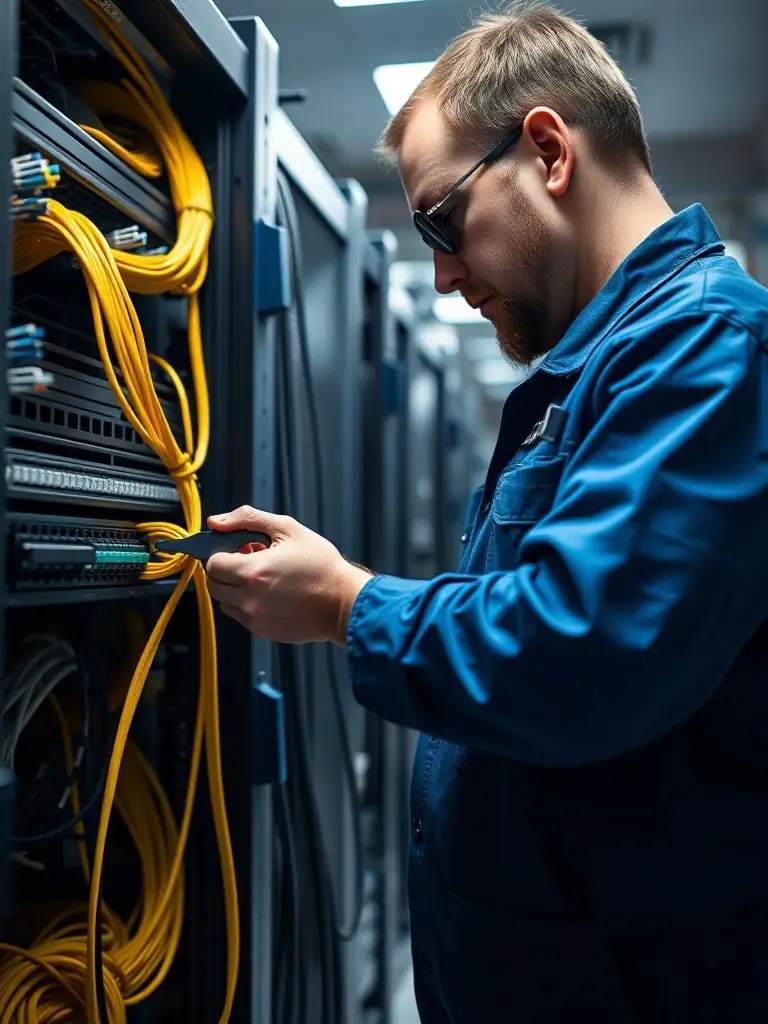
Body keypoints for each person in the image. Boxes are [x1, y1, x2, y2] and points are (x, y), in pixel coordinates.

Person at [205, 3, 768, 1021]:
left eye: (441, 221)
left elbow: (583, 648)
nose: (443, 273)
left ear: (547, 150)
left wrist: (347, 602)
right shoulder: (604, 370)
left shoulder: (709, 351)